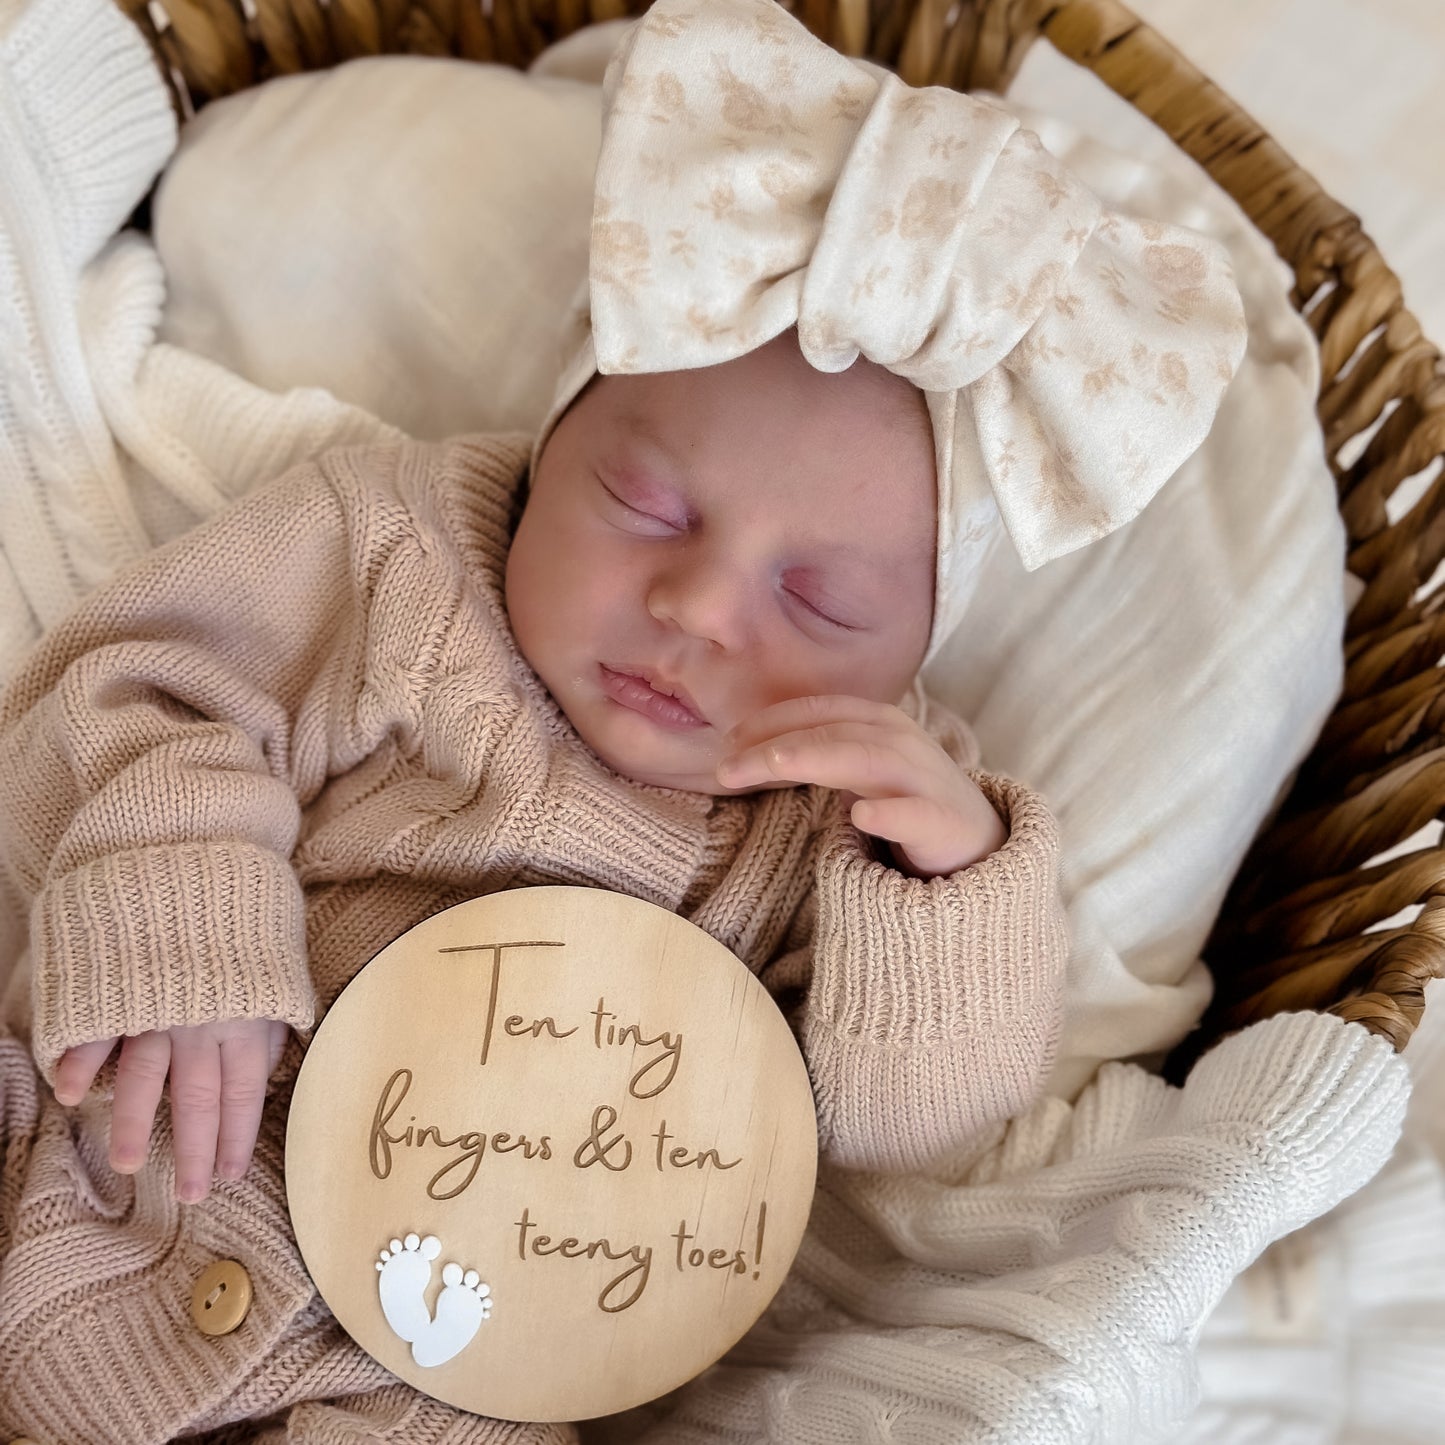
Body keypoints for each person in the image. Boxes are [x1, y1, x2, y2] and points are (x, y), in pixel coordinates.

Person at [0, 0, 1246, 1438]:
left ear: (911, 649)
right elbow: (142, 679)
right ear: (553, 434)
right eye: (643, 504)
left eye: (821, 601)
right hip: (98, 1149)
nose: (703, 607)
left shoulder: (843, 817)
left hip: (433, 1366)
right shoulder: (401, 555)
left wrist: (948, 885)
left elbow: (905, 1138)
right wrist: (181, 921)